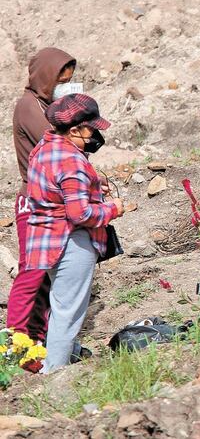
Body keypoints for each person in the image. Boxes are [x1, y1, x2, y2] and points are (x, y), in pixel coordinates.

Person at [26, 93, 125, 372]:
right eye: (91, 129)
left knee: (60, 303)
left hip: (46, 239)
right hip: (70, 240)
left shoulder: (45, 148)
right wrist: (114, 209)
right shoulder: (72, 160)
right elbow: (80, 214)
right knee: (68, 310)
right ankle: (54, 374)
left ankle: (64, 356)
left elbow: (54, 188)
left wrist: (93, 184)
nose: (94, 134)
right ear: (74, 130)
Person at [8, 48, 78, 344]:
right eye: (60, 82)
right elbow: (59, 144)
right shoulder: (28, 107)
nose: (63, 87)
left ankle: (38, 337)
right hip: (34, 201)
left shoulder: (42, 105)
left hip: (49, 200)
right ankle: (16, 339)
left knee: (44, 275)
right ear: (47, 79)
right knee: (32, 274)